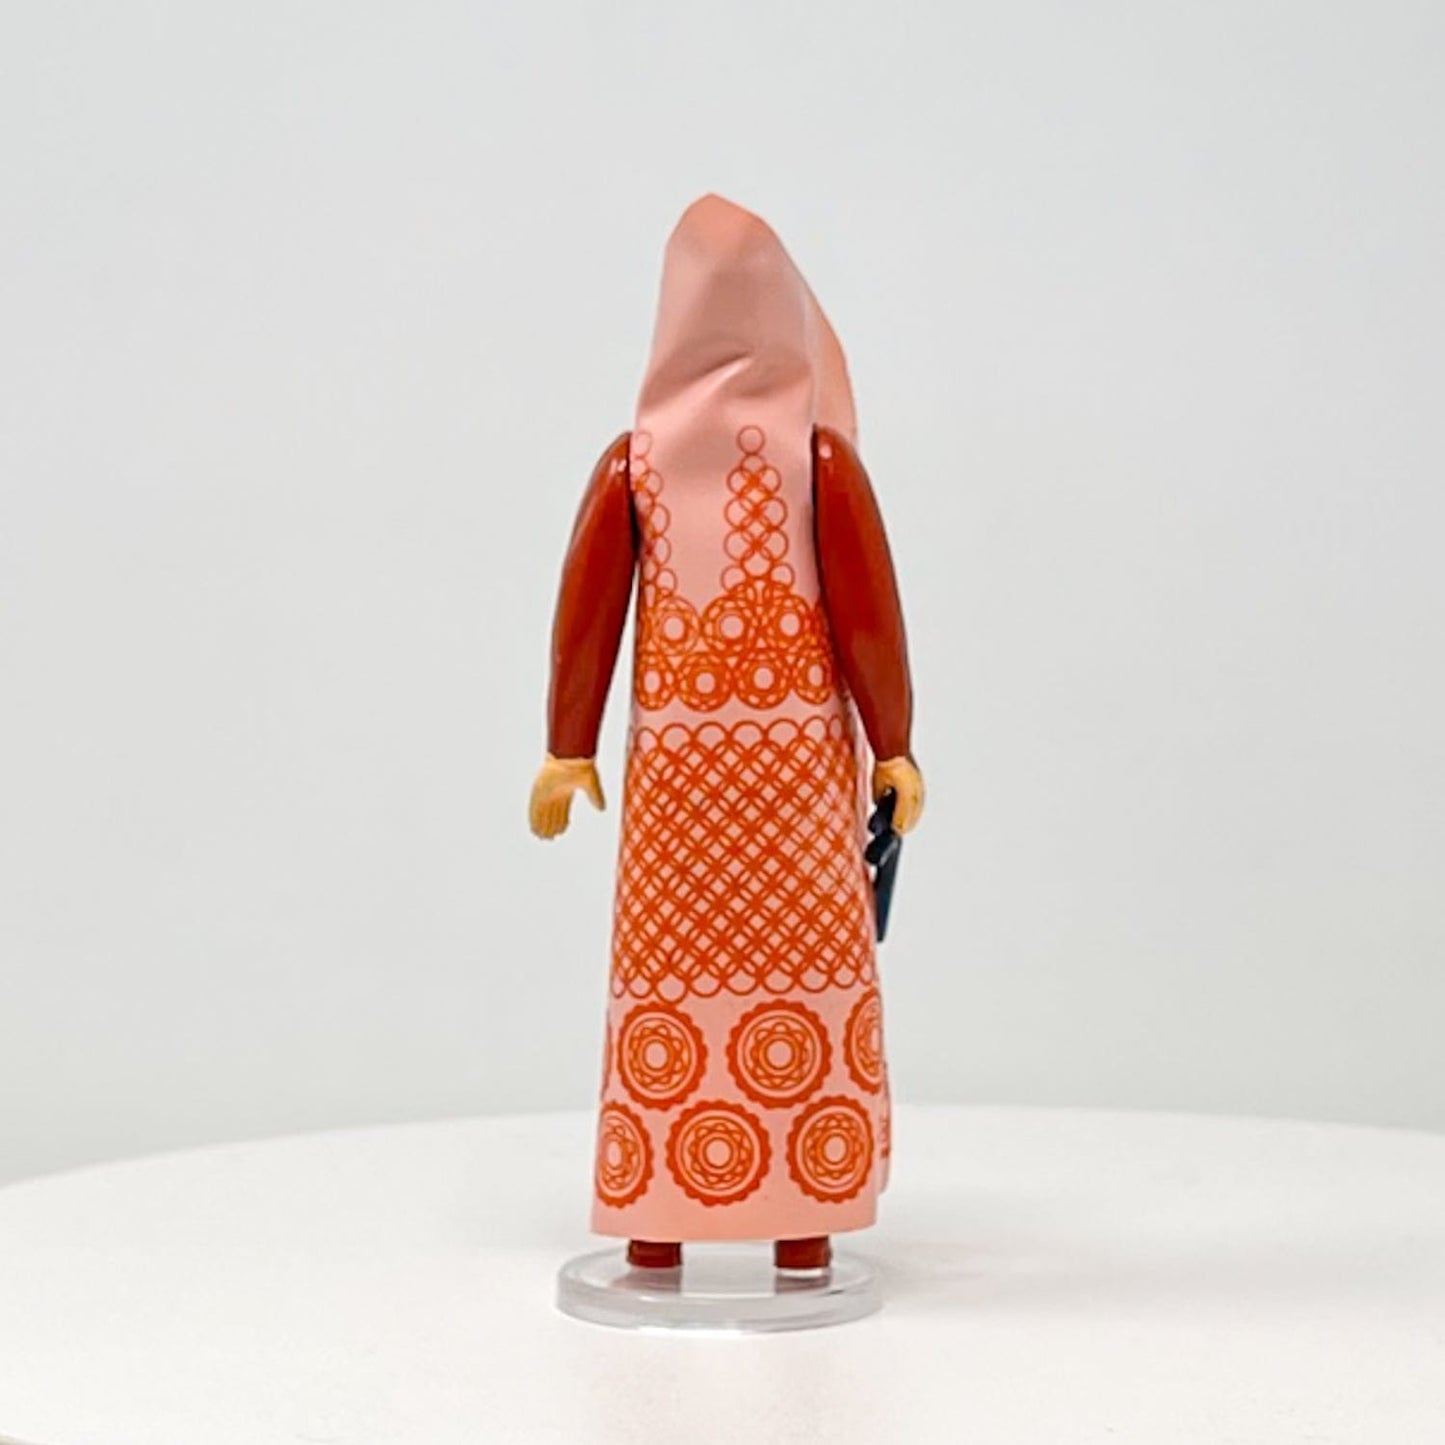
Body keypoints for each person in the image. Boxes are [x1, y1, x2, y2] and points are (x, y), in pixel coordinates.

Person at [530, 195, 922, 1273]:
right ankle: (662, 1222)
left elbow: (865, 610)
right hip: (701, 781)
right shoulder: (645, 465)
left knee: (783, 972)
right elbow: (590, 602)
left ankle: (796, 1220)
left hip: (782, 773)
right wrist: (568, 742)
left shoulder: (809, 461)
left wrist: (892, 741)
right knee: (678, 981)